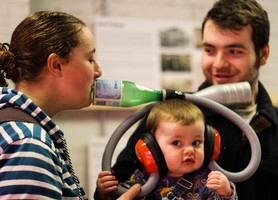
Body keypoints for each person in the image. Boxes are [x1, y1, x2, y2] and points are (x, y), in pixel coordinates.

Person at [111, 0, 278, 199]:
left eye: (234, 51)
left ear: (263, 54)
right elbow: (115, 189)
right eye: (209, 50)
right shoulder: (168, 116)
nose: (218, 63)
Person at [0, 11, 140, 200]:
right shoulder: (29, 143)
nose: (98, 71)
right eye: (90, 59)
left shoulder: (19, 129)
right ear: (56, 64)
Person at [96, 99, 237, 199]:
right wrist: (105, 193)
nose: (189, 150)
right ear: (152, 148)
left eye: (196, 142)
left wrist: (226, 193)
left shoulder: (209, 179)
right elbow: (122, 196)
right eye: (176, 143)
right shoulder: (141, 177)